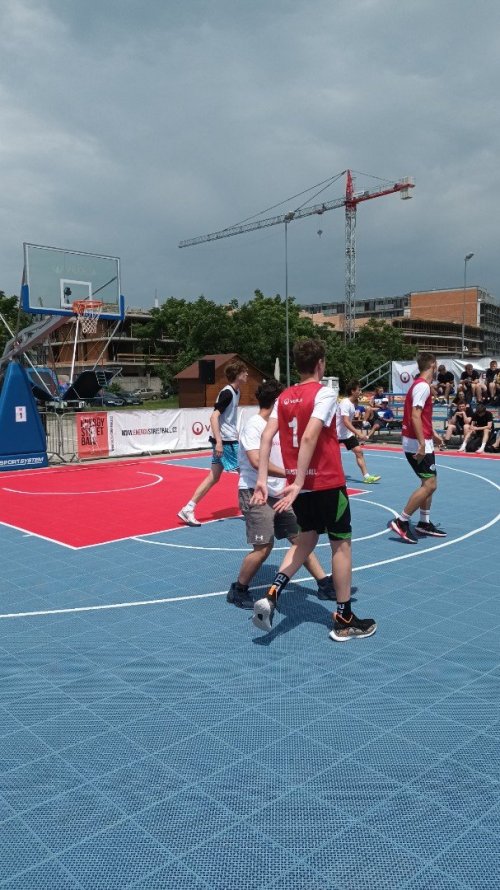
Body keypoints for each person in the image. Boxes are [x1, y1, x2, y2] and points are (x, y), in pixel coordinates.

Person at [250, 338, 376, 642]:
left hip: (299, 486)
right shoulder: (324, 393)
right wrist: (301, 481)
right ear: (320, 364)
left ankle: (272, 593)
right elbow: (309, 438)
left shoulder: (283, 397)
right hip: (325, 484)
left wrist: (263, 479)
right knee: (341, 546)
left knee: (304, 541)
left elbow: (266, 438)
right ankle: (344, 618)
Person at [226, 379, 336, 608]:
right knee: (264, 547)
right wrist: (292, 472)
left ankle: (324, 584)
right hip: (256, 492)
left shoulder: (279, 426)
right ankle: (239, 589)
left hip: (279, 492)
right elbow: (257, 461)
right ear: (277, 401)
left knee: (301, 539)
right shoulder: (254, 426)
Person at [178, 360, 249, 526]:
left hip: (228, 439)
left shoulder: (236, 392)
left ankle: (188, 508)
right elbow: (214, 416)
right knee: (246, 471)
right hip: (225, 441)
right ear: (238, 375)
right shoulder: (228, 393)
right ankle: (253, 509)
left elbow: (227, 418)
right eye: (244, 372)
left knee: (214, 477)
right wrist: (219, 442)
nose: (247, 374)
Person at [390, 351, 446, 544]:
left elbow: (422, 417)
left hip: (421, 440)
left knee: (428, 484)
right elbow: (415, 416)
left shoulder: (420, 386)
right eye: (436, 365)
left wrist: (433, 436)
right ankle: (402, 520)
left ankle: (424, 522)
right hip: (417, 442)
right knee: (430, 484)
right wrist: (422, 443)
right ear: (433, 365)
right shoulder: (422, 387)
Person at [336, 380, 381, 483]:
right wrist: (359, 433)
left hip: (347, 434)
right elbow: (346, 422)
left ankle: (367, 477)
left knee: (359, 452)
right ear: (352, 391)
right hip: (336, 434)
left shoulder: (352, 404)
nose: (360, 391)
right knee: (332, 457)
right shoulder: (345, 403)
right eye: (358, 390)